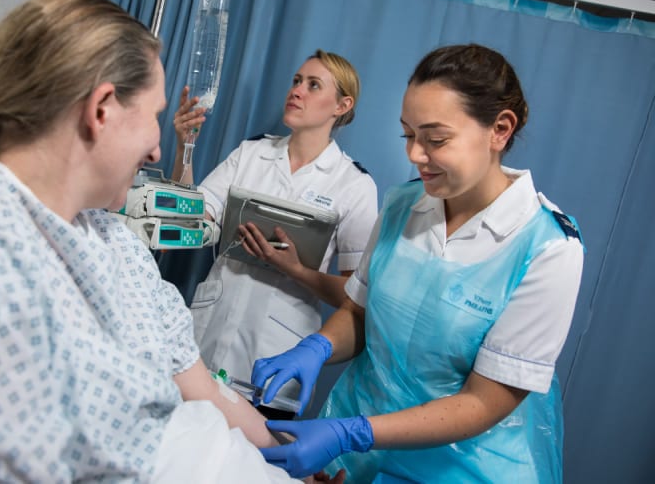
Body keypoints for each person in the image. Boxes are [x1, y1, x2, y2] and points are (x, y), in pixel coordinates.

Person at [0, 0, 336, 483]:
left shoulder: (115, 243)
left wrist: (287, 459)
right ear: (102, 109)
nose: (155, 148)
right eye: (153, 117)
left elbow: (208, 392)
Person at [251, 43, 585, 482]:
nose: (414, 155)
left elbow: (485, 401)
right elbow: (359, 312)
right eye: (408, 135)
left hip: (461, 467)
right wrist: (318, 347)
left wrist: (351, 433)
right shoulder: (403, 205)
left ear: (500, 130)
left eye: (436, 139)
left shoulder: (547, 248)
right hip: (358, 456)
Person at [171, 50, 378, 419]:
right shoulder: (251, 153)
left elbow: (356, 296)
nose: (297, 91)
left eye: (313, 85)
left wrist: (295, 269)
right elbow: (190, 219)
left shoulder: (354, 184)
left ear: (342, 105)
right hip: (208, 335)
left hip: (276, 352)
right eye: (296, 81)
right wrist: (185, 147)